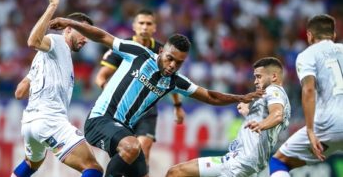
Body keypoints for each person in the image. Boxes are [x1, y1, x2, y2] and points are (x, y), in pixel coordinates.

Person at [49, 17, 264, 177]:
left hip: (124, 130)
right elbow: (103, 36)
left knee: (142, 170)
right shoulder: (138, 53)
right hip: (100, 120)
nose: (172, 65)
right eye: (170, 58)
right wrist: (70, 22)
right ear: (161, 51)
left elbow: (210, 96)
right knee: (132, 147)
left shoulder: (175, 81)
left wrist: (240, 97)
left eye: (178, 62)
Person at [11, 0, 103, 177]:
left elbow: (19, 92)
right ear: (68, 29)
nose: (86, 39)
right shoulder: (56, 42)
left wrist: (33, 81)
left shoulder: (43, 59)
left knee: (32, 162)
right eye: (82, 32)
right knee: (93, 168)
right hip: (50, 120)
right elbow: (32, 40)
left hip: (29, 123)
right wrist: (52, 6)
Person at [165, 57, 291, 177]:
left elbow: (277, 115)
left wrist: (260, 125)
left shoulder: (274, 90)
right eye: (255, 77)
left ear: (274, 76)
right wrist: (248, 113)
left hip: (241, 164)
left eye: (259, 77)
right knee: (175, 172)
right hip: (241, 161)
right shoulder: (275, 98)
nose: (255, 81)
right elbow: (268, 121)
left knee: (176, 173)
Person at [95, 8, 185, 170]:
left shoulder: (163, 51)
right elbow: (100, 77)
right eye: (141, 23)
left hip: (146, 110)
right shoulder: (123, 47)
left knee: (144, 149)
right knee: (127, 151)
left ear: (154, 27)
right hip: (121, 108)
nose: (145, 27)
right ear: (134, 26)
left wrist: (177, 107)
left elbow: (173, 80)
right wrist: (108, 90)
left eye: (148, 23)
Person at [269, 14, 343, 177]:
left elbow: (309, 90)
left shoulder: (307, 55)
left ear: (309, 35)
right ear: (334, 35)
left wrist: (310, 130)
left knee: (278, 161)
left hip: (328, 125)